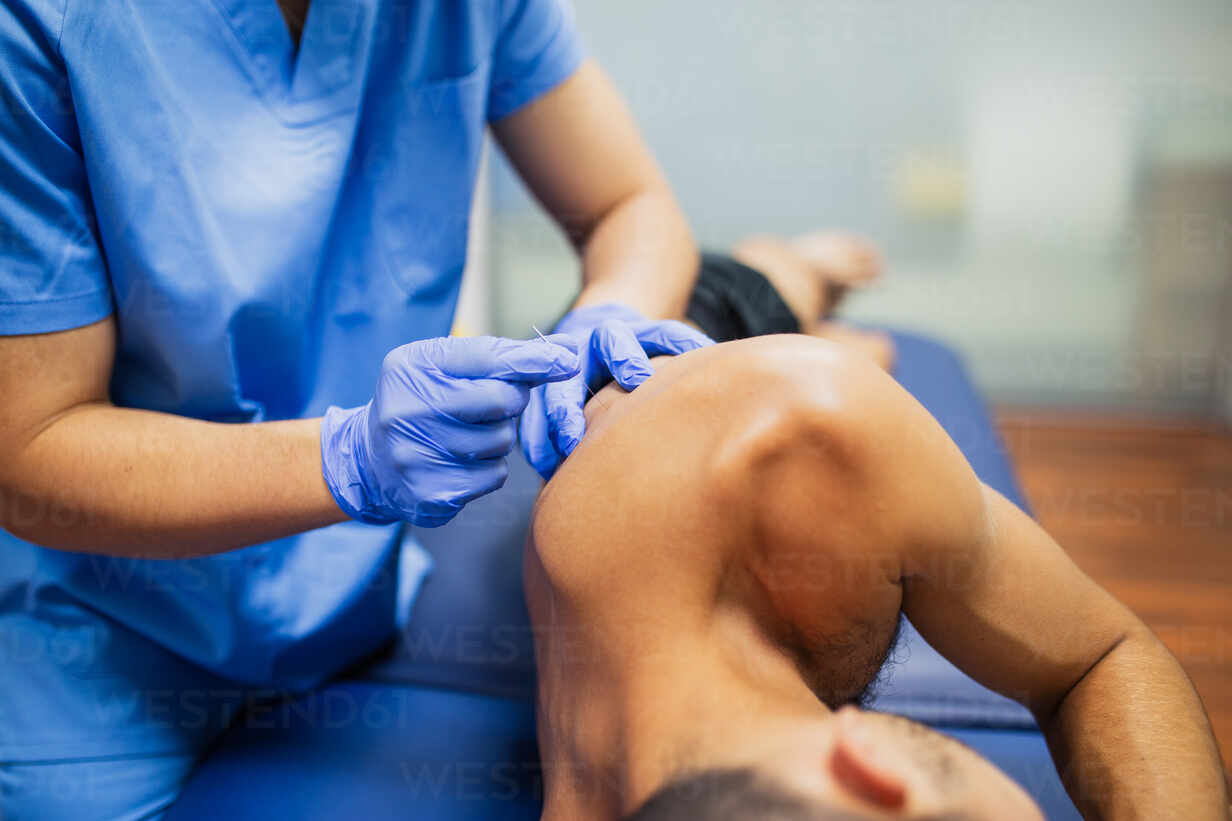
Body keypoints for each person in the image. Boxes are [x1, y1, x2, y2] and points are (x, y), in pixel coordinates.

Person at [0, 2, 710, 818]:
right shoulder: (46, 24)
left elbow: (629, 205)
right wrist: (349, 457)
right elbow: (31, 448)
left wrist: (609, 315)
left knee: (746, 306)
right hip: (96, 627)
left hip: (355, 599)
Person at [525, 256, 1230, 819]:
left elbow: (1100, 657)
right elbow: (1094, 654)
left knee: (780, 282)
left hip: (661, 349)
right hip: (639, 469)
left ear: (869, 759)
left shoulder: (803, 427)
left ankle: (810, 268)